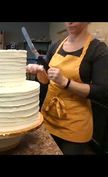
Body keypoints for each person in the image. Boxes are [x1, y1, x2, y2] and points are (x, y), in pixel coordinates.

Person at [26, 22, 108, 155]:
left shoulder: (98, 49)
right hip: (48, 117)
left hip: (75, 125)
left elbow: (101, 91)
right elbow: (46, 81)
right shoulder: (55, 46)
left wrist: (65, 82)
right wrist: (40, 72)